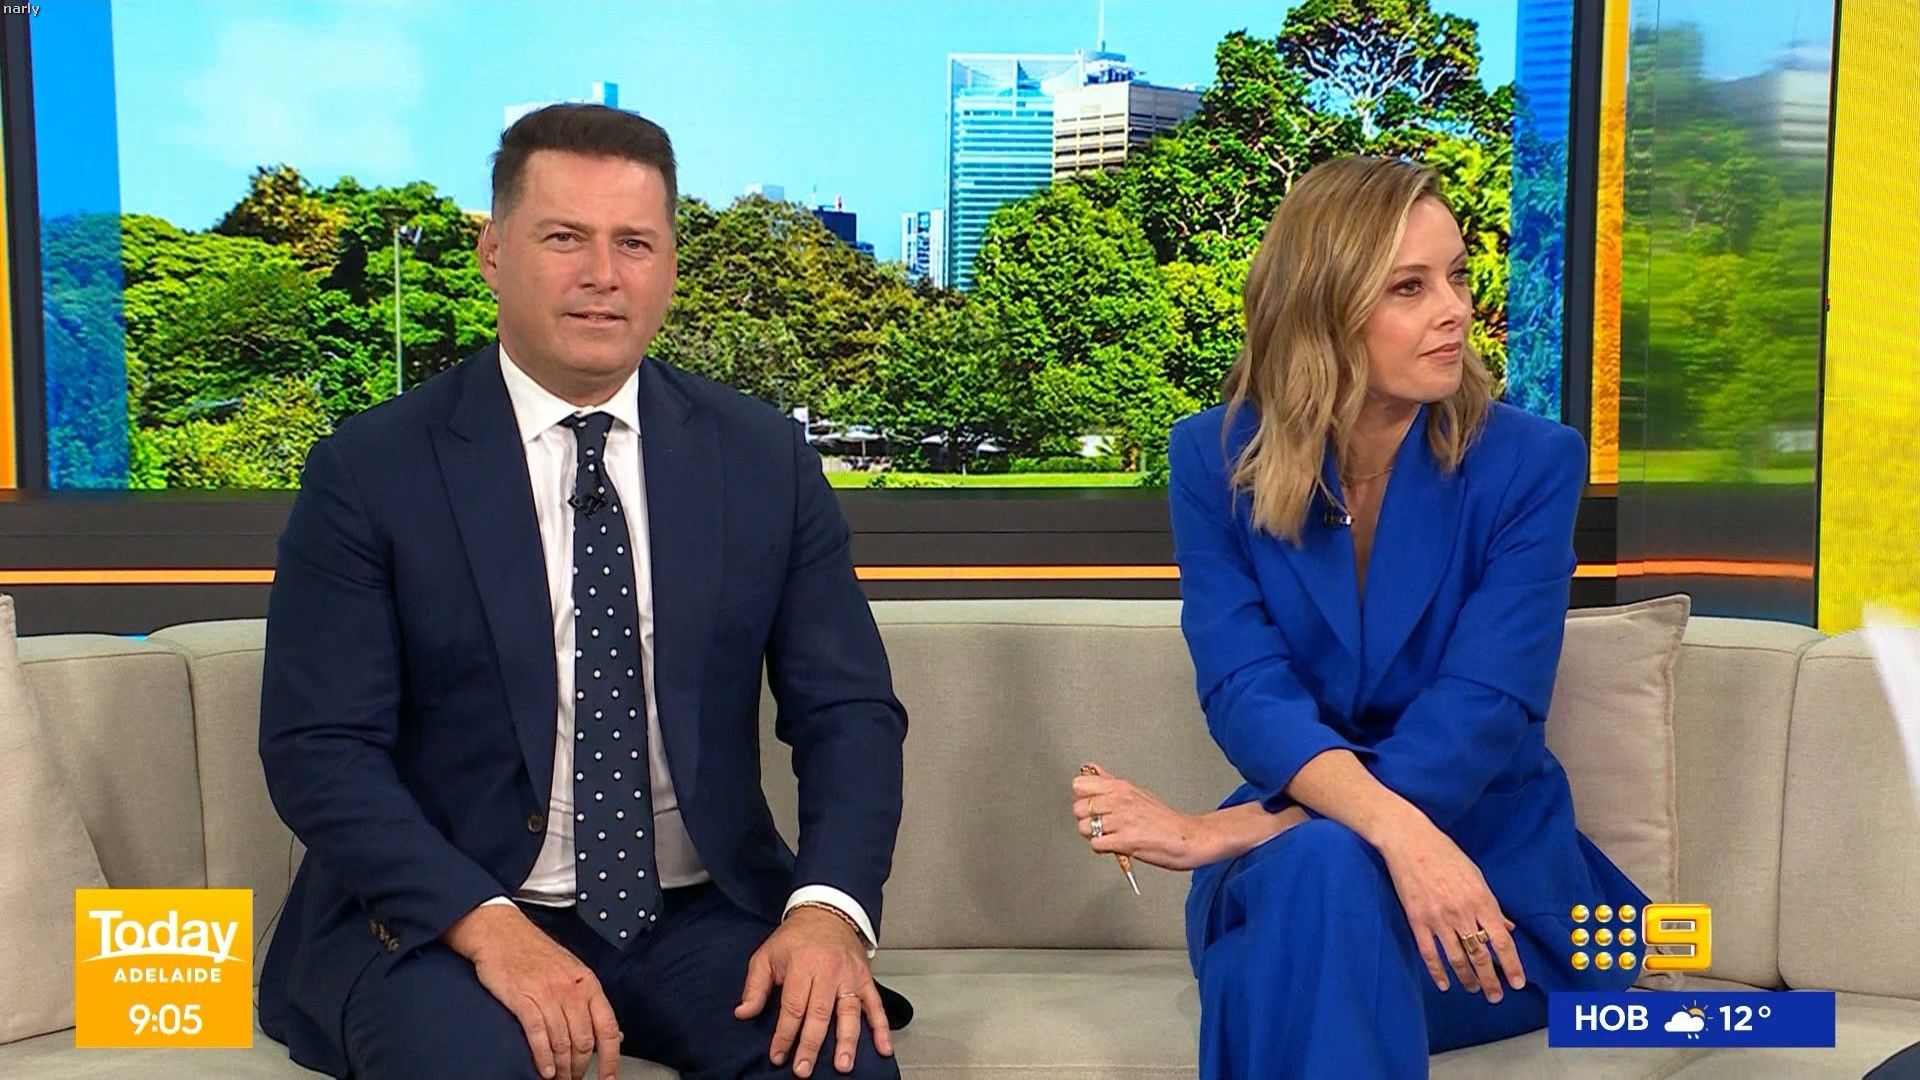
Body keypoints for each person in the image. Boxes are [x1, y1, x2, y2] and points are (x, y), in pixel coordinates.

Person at [257, 104, 908, 1080]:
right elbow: (319, 748)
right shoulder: (369, 470)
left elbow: (849, 713)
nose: (603, 275)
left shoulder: (762, 460)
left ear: (670, 266)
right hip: (447, 920)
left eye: (633, 243)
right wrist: (486, 925)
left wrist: (826, 911)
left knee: (837, 1066)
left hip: (697, 915)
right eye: (565, 238)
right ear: (493, 253)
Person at [1069, 155, 1646, 1077]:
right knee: (1321, 880)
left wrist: (1227, 832)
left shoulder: (1530, 464)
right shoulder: (1214, 458)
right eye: (1409, 288)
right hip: (1304, 878)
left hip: (1486, 882)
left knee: (1282, 947)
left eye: (1457, 276)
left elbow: (1483, 712)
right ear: (1323, 310)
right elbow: (1246, 690)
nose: (1455, 310)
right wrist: (1394, 830)